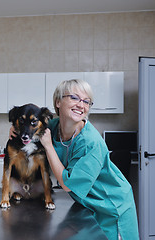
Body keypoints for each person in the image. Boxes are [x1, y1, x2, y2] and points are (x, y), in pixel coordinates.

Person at [9, 79, 139, 240]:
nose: (81, 105)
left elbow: (68, 184)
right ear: (58, 102)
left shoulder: (91, 143)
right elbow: (29, 126)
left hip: (111, 207)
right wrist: (15, 130)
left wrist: (48, 146)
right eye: (74, 98)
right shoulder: (53, 126)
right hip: (86, 205)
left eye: (86, 101)